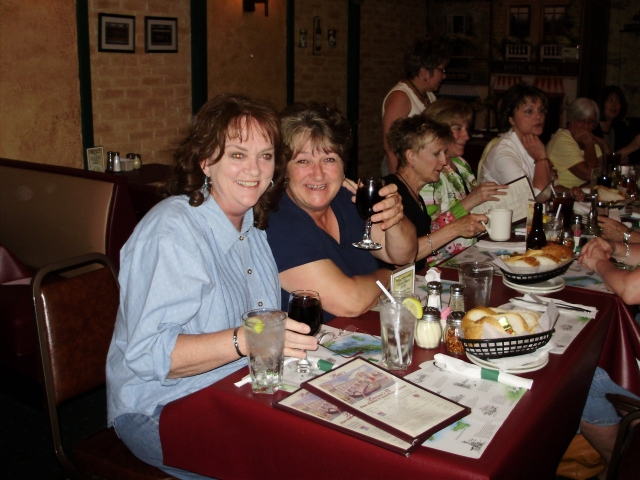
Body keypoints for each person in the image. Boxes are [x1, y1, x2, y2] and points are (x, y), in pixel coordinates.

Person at [106, 94, 318, 479]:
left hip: (234, 392)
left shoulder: (252, 226)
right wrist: (248, 339)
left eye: (266, 156)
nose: (254, 169)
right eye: (238, 155)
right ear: (206, 161)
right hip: (160, 407)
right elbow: (149, 355)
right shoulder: (172, 232)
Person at [266, 103, 417, 323]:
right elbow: (349, 302)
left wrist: (393, 217)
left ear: (343, 164)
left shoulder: (346, 199)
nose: (318, 175)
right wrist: (390, 277)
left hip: (361, 336)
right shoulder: (276, 220)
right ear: (283, 169)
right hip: (312, 350)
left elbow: (403, 255)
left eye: (329, 159)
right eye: (303, 161)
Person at [380, 114, 487, 271]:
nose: (444, 161)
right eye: (437, 154)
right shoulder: (392, 194)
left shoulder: (415, 193)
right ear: (411, 156)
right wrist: (456, 228)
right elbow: (402, 258)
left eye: (444, 153)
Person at [420, 99, 508, 264]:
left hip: (472, 253)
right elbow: (427, 234)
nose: (466, 136)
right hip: (441, 263)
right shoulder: (429, 173)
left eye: (467, 128)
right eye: (458, 129)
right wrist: (471, 200)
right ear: (438, 132)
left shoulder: (461, 163)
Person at [381, 37, 449, 175]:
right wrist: (400, 182)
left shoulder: (428, 95)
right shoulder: (400, 97)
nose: (444, 76)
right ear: (424, 71)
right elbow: (390, 145)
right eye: (441, 70)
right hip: (403, 170)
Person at [480, 84, 557, 196]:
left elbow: (551, 188)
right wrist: (541, 158)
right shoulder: (503, 153)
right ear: (511, 119)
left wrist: (570, 192)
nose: (538, 116)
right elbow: (536, 199)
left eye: (541, 110)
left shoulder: (532, 145)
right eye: (529, 111)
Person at [547, 98, 611, 189]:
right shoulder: (562, 140)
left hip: (586, 197)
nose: (586, 126)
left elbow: (605, 174)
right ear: (571, 119)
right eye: (581, 120)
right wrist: (589, 143)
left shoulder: (590, 139)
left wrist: (603, 144)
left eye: (591, 121)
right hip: (564, 197)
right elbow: (590, 175)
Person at [593, 85, 640, 164]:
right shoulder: (592, 128)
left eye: (618, 101)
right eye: (610, 100)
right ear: (601, 103)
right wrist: (631, 147)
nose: (614, 105)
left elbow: (633, 157)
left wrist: (615, 159)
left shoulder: (621, 128)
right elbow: (600, 162)